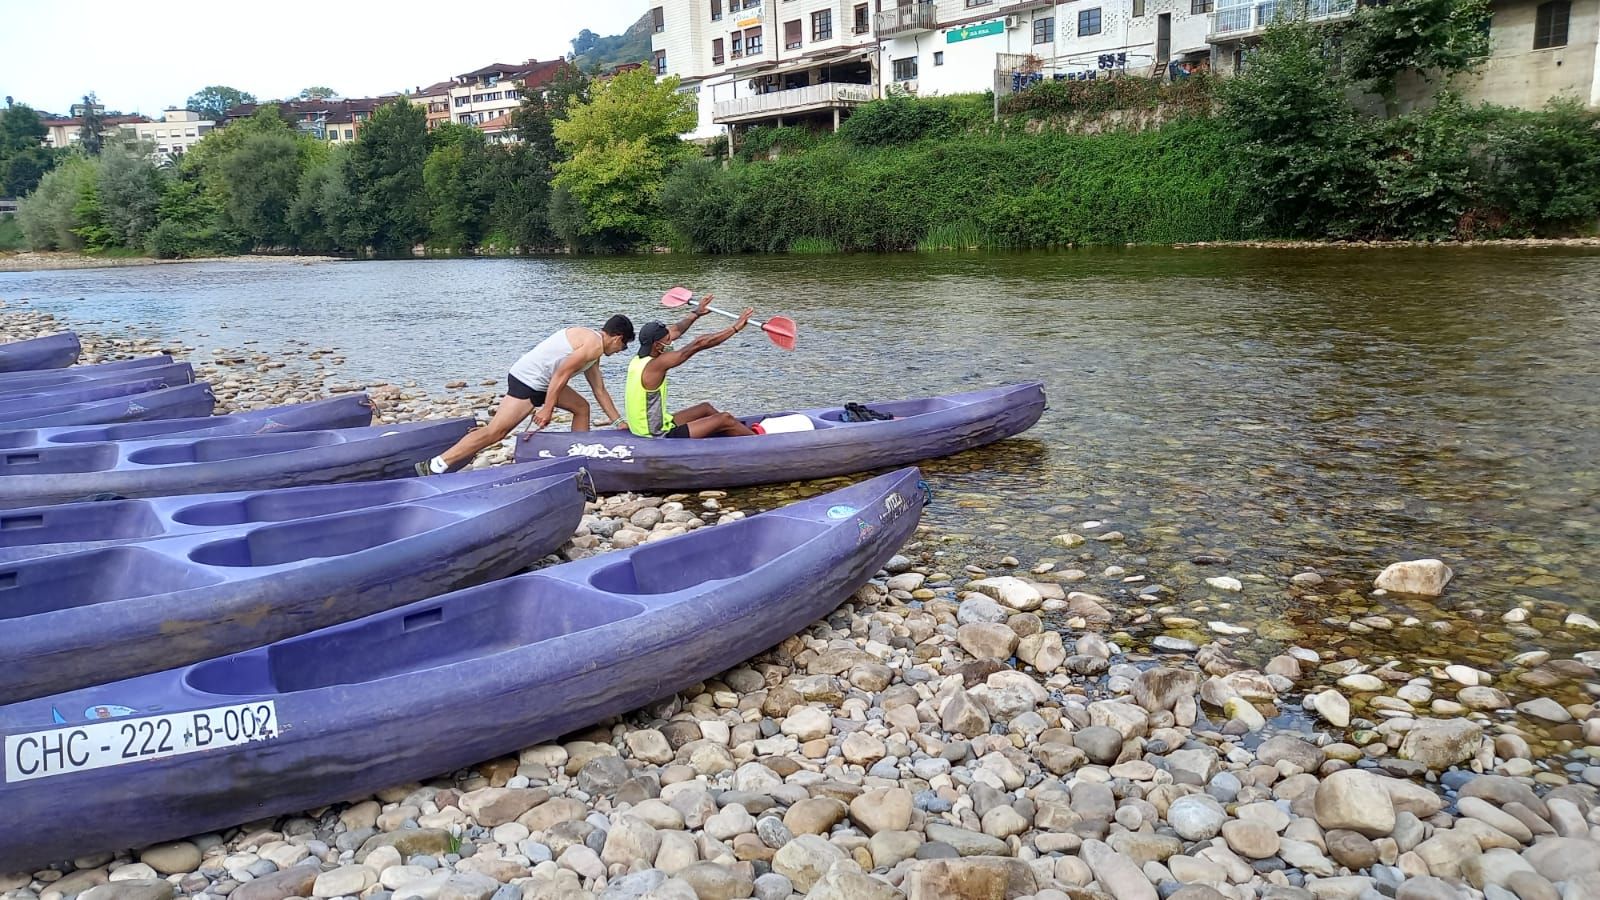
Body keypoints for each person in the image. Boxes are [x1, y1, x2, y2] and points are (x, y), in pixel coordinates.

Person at [415, 314, 635, 475]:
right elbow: (560, 374)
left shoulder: (593, 349)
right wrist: (547, 409)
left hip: (544, 382)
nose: (619, 352)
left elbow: (600, 390)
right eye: (623, 347)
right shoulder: (593, 345)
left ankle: (578, 464)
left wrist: (618, 421)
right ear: (617, 338)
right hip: (528, 381)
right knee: (496, 432)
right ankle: (436, 465)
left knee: (581, 407)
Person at [627, 295, 757, 439]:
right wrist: (736, 327)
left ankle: (735, 434)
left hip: (649, 425)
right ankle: (761, 442)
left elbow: (676, 329)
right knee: (725, 418)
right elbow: (699, 343)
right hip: (656, 434)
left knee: (705, 408)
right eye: (668, 341)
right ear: (657, 345)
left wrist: (696, 313)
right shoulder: (656, 365)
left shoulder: (638, 360)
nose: (671, 342)